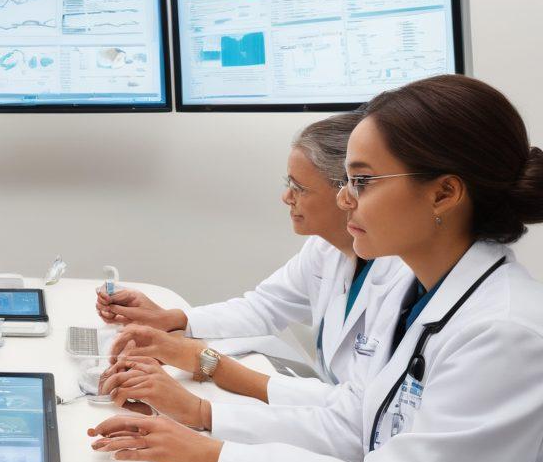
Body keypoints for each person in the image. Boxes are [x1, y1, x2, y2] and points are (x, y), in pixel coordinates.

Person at [88, 74, 543, 462]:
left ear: (443, 192)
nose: (346, 200)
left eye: (362, 181)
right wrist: (199, 423)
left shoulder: (506, 333)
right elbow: (353, 424)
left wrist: (210, 455)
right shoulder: (423, 296)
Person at [98, 112, 410, 407]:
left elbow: (356, 410)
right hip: (325, 417)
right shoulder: (325, 250)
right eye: (288, 184)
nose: (286, 198)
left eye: (298, 188)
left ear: (350, 190)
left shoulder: (402, 276)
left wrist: (207, 365)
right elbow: (264, 308)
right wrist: (173, 320)